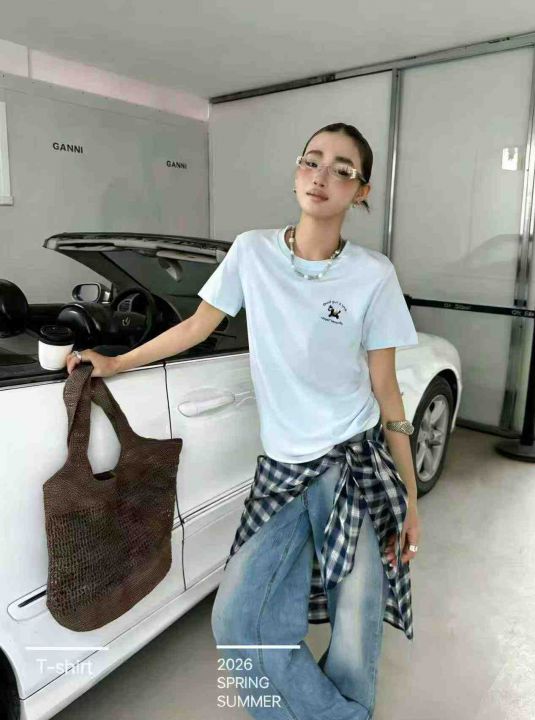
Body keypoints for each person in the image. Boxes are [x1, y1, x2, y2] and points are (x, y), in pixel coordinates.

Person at [67, 122, 421, 720]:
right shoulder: (252, 252)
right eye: (312, 160)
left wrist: (409, 497)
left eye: (342, 170)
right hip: (282, 470)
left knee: (355, 626)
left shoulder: (373, 274)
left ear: (360, 191)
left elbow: (386, 390)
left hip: (354, 465)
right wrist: (117, 362)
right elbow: (195, 327)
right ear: (296, 170)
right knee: (237, 619)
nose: (322, 176)